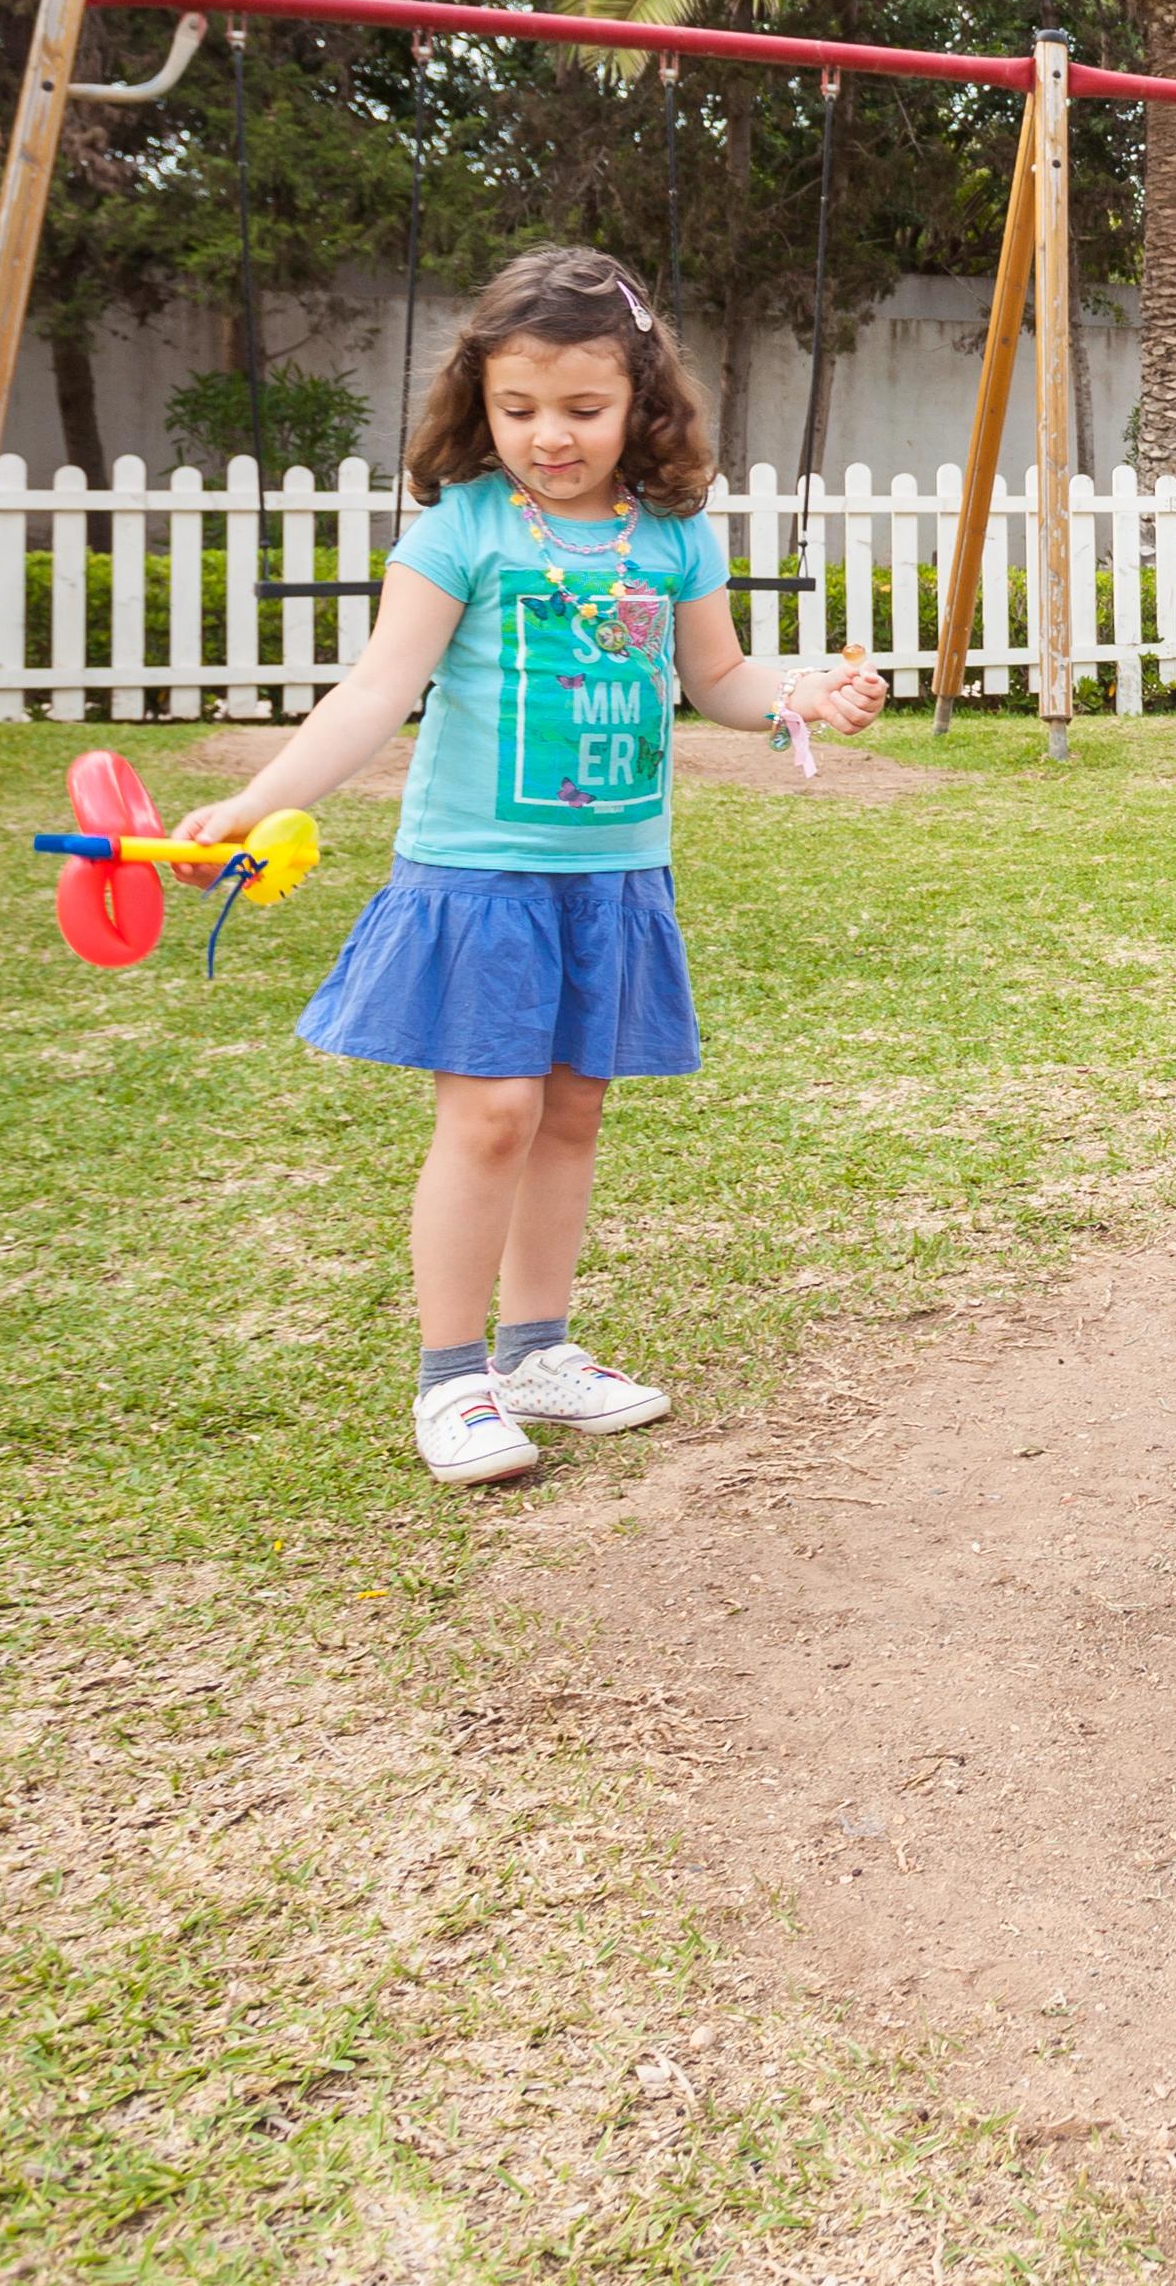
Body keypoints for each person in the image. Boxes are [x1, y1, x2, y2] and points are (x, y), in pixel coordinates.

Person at [182, 247, 879, 1488]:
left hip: (614, 876)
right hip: (478, 875)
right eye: (518, 410)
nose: (549, 438)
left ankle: (540, 1353)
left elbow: (718, 681)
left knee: (570, 1114)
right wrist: (254, 800)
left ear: (642, 404)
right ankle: (454, 1379)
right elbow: (376, 691)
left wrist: (805, 691)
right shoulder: (462, 530)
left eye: (582, 409)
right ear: (479, 402)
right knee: (492, 1116)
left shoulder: (672, 539)